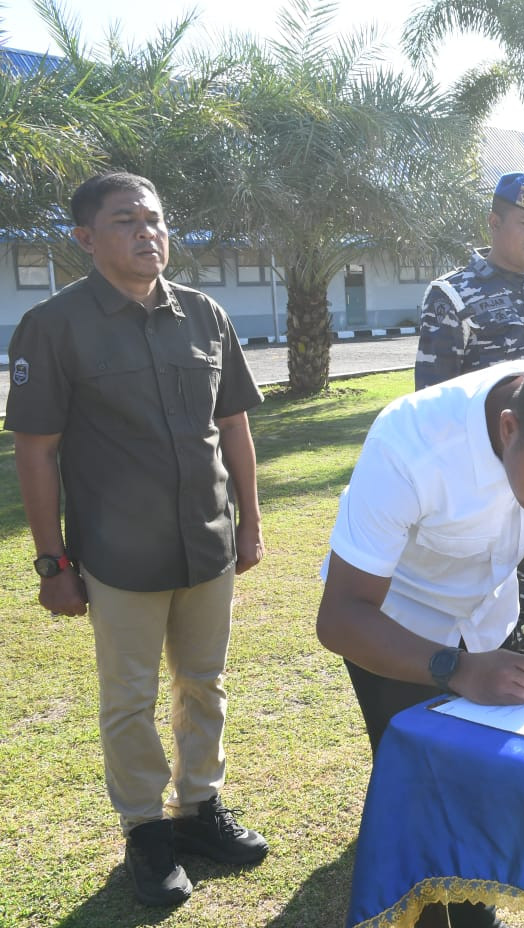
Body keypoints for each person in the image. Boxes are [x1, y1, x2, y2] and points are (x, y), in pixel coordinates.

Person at [4, 172, 268, 907]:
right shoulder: (54, 327)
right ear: (85, 239)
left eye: (155, 219)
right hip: (121, 556)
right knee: (129, 698)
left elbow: (235, 426)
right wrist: (52, 562)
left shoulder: (205, 316)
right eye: (126, 221)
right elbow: (36, 450)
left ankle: (200, 809)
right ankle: (146, 832)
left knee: (205, 684)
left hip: (207, 543)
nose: (148, 232)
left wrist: (250, 520)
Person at [316, 342, 524, 928]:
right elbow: (340, 616)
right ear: (509, 426)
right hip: (392, 629)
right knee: (423, 799)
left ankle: (475, 912)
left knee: (484, 792)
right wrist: (459, 669)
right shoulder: (411, 442)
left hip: (491, 616)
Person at [414, 172, 524, 654]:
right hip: (485, 485)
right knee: (483, 623)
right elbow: (435, 405)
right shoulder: (452, 296)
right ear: (493, 222)